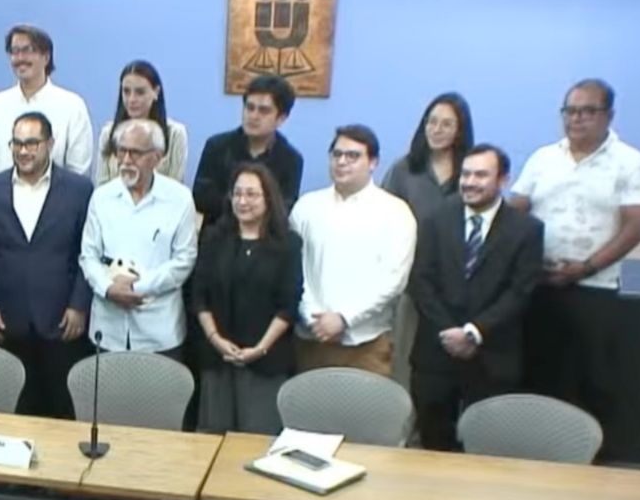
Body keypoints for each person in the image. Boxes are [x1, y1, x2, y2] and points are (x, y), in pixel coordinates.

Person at [510, 79, 640, 458]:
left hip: (595, 288)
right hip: (540, 285)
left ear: (609, 115)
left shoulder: (629, 161)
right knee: (539, 376)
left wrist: (585, 267)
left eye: (588, 111)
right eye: (570, 111)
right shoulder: (544, 158)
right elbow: (515, 212)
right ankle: (536, 458)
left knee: (593, 382)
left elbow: (636, 227)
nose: (576, 119)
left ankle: (591, 463)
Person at [410, 144, 544, 451]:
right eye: (466, 174)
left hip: (493, 357)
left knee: (488, 450)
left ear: (503, 180)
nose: (470, 182)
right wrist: (450, 332)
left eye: (481, 175)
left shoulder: (527, 230)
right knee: (432, 447)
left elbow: (520, 291)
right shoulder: (435, 219)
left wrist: (474, 332)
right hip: (436, 354)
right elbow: (421, 281)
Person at [0, 112, 94, 418]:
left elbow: (88, 253)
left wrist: (79, 305)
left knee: (61, 413)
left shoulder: (79, 190)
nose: (23, 151)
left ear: (50, 144)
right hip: (7, 322)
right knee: (13, 412)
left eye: (31, 143)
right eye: (17, 143)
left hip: (61, 322)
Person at [290, 125, 416, 377]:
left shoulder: (395, 212)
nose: (342, 162)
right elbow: (294, 269)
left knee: (366, 404)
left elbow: (394, 280)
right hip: (311, 339)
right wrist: (314, 318)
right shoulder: (306, 207)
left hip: (367, 344)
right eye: (337, 154)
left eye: (353, 156)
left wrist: (344, 319)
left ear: (373, 162)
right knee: (308, 403)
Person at [192, 163, 301, 434]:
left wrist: (260, 348)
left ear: (268, 198)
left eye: (251, 194)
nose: (242, 201)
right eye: (237, 193)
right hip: (217, 358)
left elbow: (288, 304)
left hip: (267, 361)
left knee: (256, 439)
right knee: (213, 435)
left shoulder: (287, 244)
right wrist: (216, 339)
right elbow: (199, 295)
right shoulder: (214, 238)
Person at [79, 119, 197, 357]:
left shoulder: (180, 199)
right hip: (108, 329)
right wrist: (109, 288)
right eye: (121, 151)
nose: (126, 160)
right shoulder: (101, 197)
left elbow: (184, 260)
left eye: (136, 153)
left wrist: (136, 287)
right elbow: (88, 255)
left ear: (157, 157)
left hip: (159, 333)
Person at [382, 93, 475, 390]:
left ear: (460, 130)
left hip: (455, 282)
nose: (436, 129)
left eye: (446, 124)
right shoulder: (405, 169)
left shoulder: (470, 172)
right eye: (431, 122)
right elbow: (384, 221)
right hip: (410, 280)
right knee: (402, 357)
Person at [0, 24, 93, 199]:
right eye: (14, 51)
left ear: (46, 57)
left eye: (28, 50)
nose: (20, 58)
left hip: (57, 209)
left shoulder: (72, 106)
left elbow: (78, 172)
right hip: (3, 208)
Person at [193, 75, 303, 223]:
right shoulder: (217, 146)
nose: (253, 116)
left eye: (263, 111)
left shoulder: (290, 159)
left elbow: (283, 209)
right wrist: (250, 203)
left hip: (265, 235)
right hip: (218, 232)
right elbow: (200, 197)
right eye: (250, 108)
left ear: (281, 118)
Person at [94, 60, 187, 187]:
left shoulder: (175, 134)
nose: (132, 99)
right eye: (126, 92)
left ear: (156, 92)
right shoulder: (109, 133)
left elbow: (175, 187)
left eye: (140, 92)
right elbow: (101, 185)